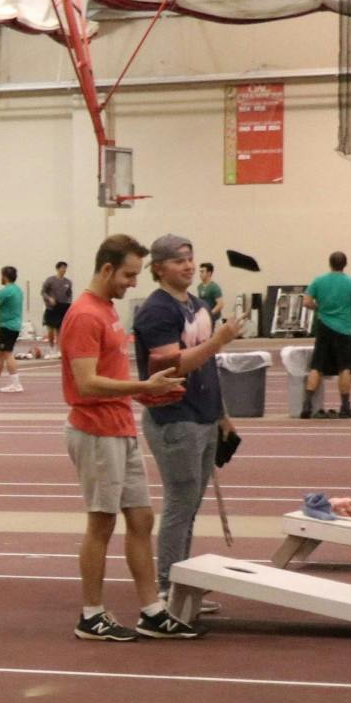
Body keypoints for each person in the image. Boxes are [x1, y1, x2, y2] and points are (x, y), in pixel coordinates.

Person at [60, 234, 200, 641]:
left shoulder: (106, 309)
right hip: (95, 430)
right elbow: (86, 383)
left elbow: (111, 374)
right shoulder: (85, 315)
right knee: (101, 522)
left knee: (141, 517)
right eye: (128, 274)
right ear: (106, 269)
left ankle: (152, 610)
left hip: (120, 426)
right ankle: (91, 614)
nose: (133, 283)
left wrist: (144, 392)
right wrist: (143, 388)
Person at [132, 235, 245, 603]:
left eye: (190, 258)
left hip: (204, 417)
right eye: (179, 260)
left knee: (191, 505)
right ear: (159, 267)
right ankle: (166, 587)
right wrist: (220, 340)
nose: (188, 265)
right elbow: (173, 363)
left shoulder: (198, 306)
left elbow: (208, 366)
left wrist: (223, 415)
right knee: (180, 503)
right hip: (174, 418)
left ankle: (179, 580)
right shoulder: (156, 311)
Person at [302, 251, 351, 418]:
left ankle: (306, 406)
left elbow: (306, 301)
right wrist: (347, 309)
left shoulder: (319, 281)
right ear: (345, 264)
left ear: (330, 263)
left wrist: (320, 308)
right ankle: (345, 405)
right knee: (345, 367)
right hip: (344, 329)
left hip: (324, 327)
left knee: (317, 366)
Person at [40, 261, 73, 357]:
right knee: (50, 330)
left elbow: (69, 294)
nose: (64, 270)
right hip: (51, 308)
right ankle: (51, 348)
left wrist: (69, 302)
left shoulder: (68, 282)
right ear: (58, 269)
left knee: (60, 330)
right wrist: (49, 298)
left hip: (62, 307)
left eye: (65, 268)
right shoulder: (50, 280)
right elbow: (43, 292)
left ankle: (59, 350)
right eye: (62, 268)